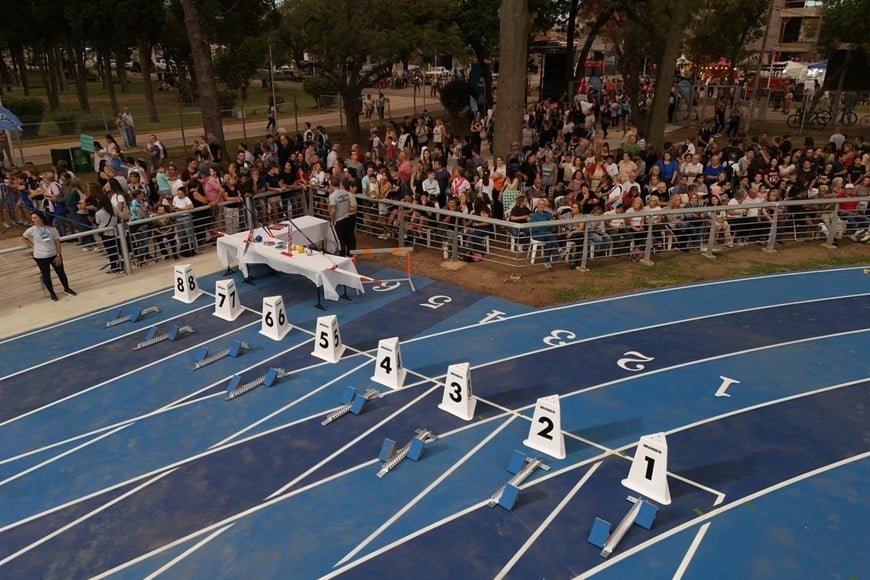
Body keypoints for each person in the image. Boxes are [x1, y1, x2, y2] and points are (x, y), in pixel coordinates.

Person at [22, 210, 77, 301]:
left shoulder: (51, 229)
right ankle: (52, 293)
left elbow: (57, 242)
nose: (33, 220)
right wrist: (33, 246)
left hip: (53, 255)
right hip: (40, 257)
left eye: (35, 217)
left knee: (61, 273)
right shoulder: (31, 230)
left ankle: (67, 288)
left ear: (41, 218)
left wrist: (58, 255)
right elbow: (24, 237)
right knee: (46, 275)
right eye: (32, 218)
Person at [328, 175, 357, 256]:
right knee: (348, 237)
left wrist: (331, 219)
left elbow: (332, 210)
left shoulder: (332, 196)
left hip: (339, 220)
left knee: (340, 240)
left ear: (331, 184)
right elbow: (348, 206)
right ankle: (350, 255)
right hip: (346, 217)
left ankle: (342, 256)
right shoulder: (345, 192)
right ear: (340, 183)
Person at [529, 197, 559, 268]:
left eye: (543, 204)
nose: (542, 206)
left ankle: (547, 261)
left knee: (550, 241)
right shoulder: (534, 216)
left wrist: (548, 225)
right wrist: (546, 226)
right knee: (549, 234)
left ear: (545, 206)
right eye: (540, 204)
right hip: (537, 235)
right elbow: (535, 228)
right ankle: (558, 248)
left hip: (547, 235)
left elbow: (553, 223)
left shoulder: (548, 214)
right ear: (537, 205)